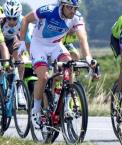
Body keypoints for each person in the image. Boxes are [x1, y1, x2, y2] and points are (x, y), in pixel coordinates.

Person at [19, 0, 94, 129]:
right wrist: (22, 42)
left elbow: (83, 38)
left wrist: (88, 57)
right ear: (62, 5)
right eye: (70, 8)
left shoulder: (77, 17)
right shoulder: (48, 10)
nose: (73, 11)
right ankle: (36, 109)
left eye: (75, 8)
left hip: (55, 46)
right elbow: (26, 19)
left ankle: (64, 104)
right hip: (38, 45)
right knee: (43, 77)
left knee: (69, 66)